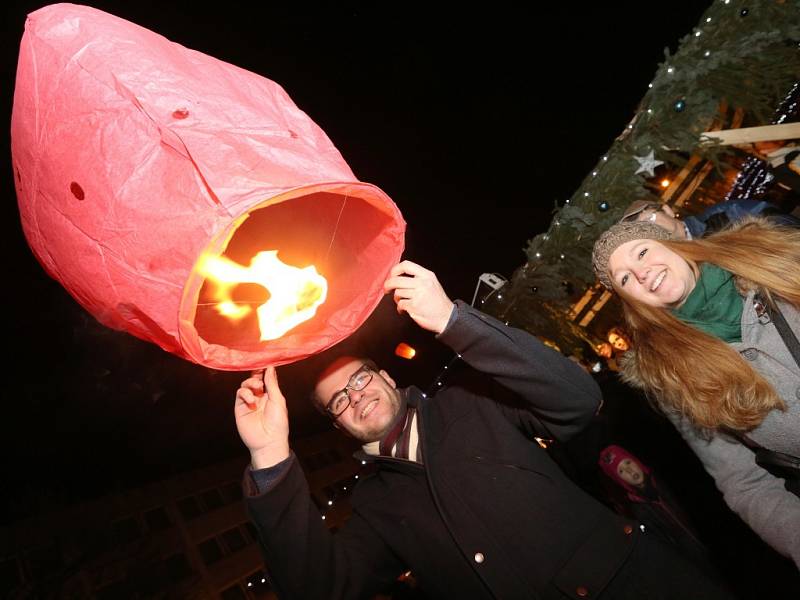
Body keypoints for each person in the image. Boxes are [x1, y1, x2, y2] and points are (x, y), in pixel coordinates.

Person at [235, 260, 733, 599]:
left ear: (386, 377)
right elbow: (321, 590)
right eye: (339, 399)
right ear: (337, 423)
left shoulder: (471, 402)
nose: (357, 395)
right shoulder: (374, 504)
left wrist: (454, 320)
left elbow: (579, 401)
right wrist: (270, 456)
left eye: (360, 379)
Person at [591, 217, 800, 568]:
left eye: (642, 252)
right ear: (629, 299)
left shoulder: (772, 255)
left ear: (672, 244)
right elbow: (743, 482)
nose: (641, 274)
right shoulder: (671, 374)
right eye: (625, 278)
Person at [598, 445, 711, 570]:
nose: (630, 470)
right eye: (621, 471)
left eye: (628, 462)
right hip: (698, 562)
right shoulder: (640, 511)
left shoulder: (665, 477)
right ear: (620, 480)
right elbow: (667, 547)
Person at [619, 198, 799, 239]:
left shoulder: (725, 214)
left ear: (667, 210)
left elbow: (783, 225)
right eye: (643, 231)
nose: (651, 229)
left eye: (649, 219)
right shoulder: (679, 272)